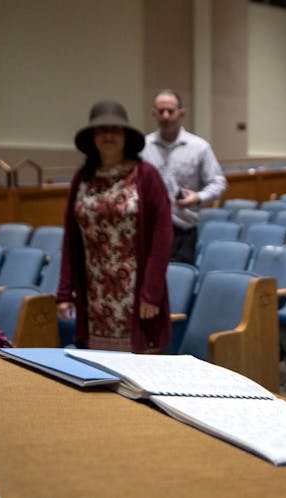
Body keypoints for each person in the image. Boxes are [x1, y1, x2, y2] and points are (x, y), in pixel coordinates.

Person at [57, 100, 174, 353]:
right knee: (100, 373)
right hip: (95, 292)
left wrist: (151, 293)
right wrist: (65, 292)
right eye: (101, 130)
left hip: (137, 294)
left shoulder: (145, 175)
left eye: (114, 130)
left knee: (139, 376)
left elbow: (162, 235)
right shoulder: (83, 177)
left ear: (125, 136)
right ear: (92, 138)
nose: (107, 136)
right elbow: (71, 239)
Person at [140, 90, 227, 264]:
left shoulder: (199, 147)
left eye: (170, 111)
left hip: (183, 230)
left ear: (181, 113)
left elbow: (218, 182)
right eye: (161, 111)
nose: (165, 116)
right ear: (153, 114)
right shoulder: (142, 147)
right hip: (149, 230)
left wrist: (198, 198)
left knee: (179, 284)